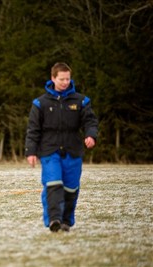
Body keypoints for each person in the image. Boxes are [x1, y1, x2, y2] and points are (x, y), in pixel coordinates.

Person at [25, 62, 98, 232]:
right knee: (53, 183)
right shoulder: (40, 103)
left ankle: (66, 220)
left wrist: (91, 135)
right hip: (49, 151)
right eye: (61, 79)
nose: (65, 82)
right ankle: (54, 219)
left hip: (73, 151)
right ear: (53, 78)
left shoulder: (81, 101)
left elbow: (90, 121)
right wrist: (31, 152)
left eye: (68, 79)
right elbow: (33, 129)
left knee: (71, 189)